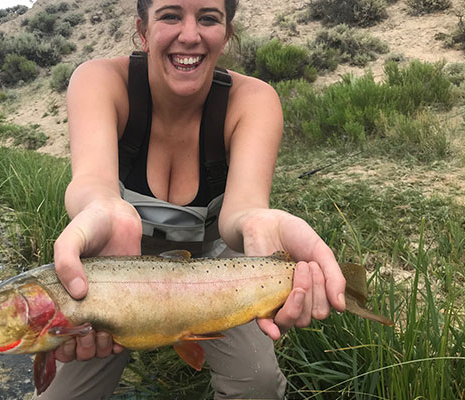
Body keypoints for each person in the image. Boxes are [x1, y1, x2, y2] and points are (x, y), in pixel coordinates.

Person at [37, 0, 346, 398]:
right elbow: (92, 181)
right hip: (115, 265)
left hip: (216, 267)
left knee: (259, 385)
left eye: (208, 18)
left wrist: (261, 222)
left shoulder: (253, 100)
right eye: (170, 15)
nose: (189, 35)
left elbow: (243, 212)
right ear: (143, 30)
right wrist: (103, 208)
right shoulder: (99, 81)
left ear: (226, 34)